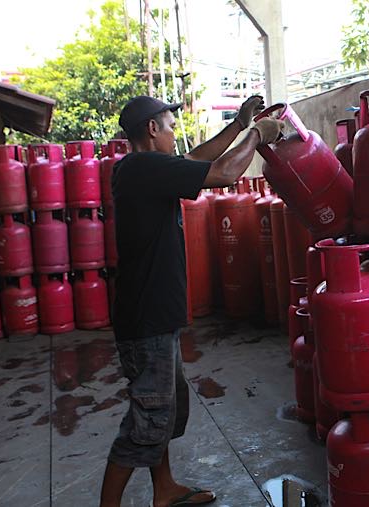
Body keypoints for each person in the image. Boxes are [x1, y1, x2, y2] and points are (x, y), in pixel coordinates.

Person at [100, 95, 283, 507]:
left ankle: (164, 489)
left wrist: (238, 125)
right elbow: (222, 172)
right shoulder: (143, 169)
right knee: (146, 420)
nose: (173, 133)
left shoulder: (145, 169)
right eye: (168, 125)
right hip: (145, 321)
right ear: (151, 129)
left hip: (152, 316)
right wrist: (258, 134)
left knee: (161, 408)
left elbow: (197, 158)